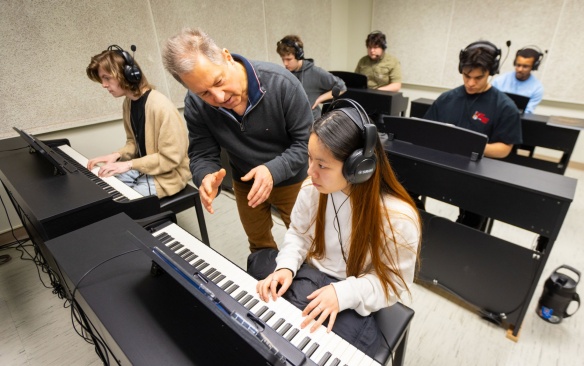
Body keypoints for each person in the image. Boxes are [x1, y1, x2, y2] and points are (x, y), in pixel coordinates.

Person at [249, 100, 421, 358]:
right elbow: (298, 234)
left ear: (358, 167)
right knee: (260, 276)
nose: (310, 172)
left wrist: (343, 294)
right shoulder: (312, 189)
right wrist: (285, 266)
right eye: (310, 159)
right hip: (314, 277)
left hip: (357, 293)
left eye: (322, 165)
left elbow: (394, 284)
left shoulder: (398, 218)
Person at [162, 28, 313, 252]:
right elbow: (202, 153)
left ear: (227, 57)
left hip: (292, 181)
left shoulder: (283, 84)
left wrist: (272, 170)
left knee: (308, 245)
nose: (219, 97)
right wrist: (205, 175)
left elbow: (306, 144)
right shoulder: (195, 104)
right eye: (204, 93)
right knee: (260, 246)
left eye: (219, 81)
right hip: (245, 182)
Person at [424, 40, 522, 230]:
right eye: (467, 76)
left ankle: (461, 239)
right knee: (404, 190)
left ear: (491, 73)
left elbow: (503, 150)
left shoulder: (504, 106)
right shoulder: (447, 99)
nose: (471, 83)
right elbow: (427, 131)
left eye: (479, 77)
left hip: (477, 175)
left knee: (473, 219)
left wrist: (466, 145)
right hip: (442, 166)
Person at [86, 45, 191, 198]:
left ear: (127, 75)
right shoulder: (128, 103)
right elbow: (132, 143)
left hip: (168, 175)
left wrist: (128, 164)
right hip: (144, 168)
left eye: (107, 78)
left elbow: (170, 158)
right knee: (101, 184)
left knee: (120, 201)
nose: (104, 85)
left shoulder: (161, 106)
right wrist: (115, 156)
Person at [276, 35, 346, 120]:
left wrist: (319, 99)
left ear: (299, 55)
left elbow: (341, 87)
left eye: (289, 59)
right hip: (294, 122)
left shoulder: (316, 72)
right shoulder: (286, 74)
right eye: (283, 59)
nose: (285, 63)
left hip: (312, 123)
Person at [492, 47, 545, 114]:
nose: (520, 69)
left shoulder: (537, 88)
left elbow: (527, 112)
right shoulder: (499, 81)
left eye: (525, 66)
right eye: (518, 65)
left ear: (534, 66)